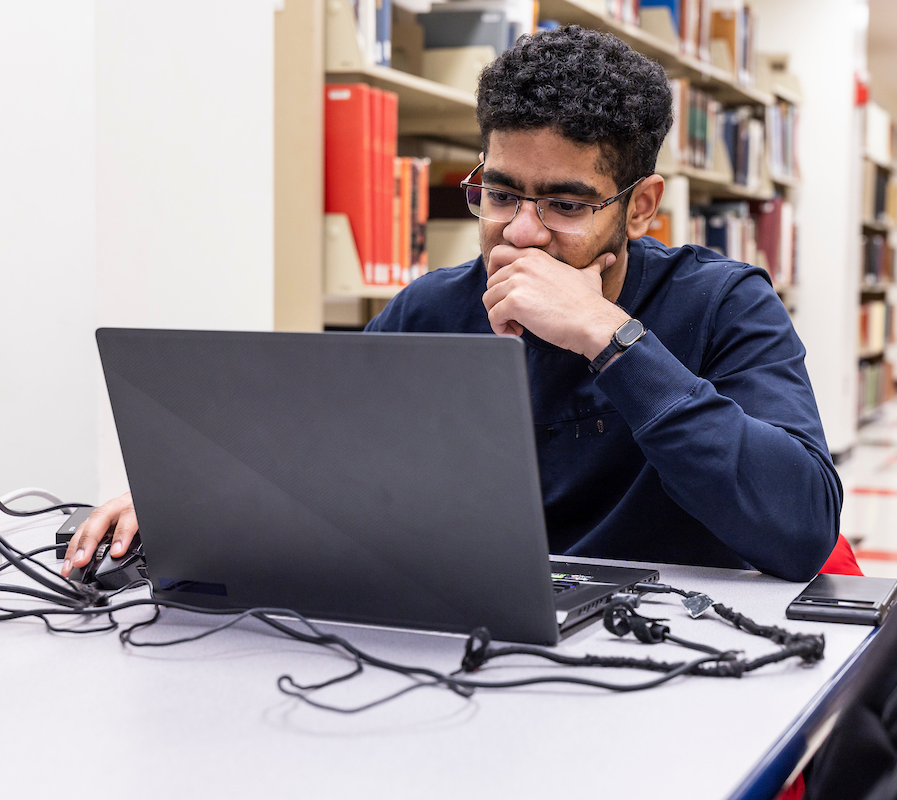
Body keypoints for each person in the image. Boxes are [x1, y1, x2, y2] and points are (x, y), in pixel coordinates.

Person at [64, 25, 846, 583]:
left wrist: (612, 339)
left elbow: (802, 528)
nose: (522, 233)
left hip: (660, 654)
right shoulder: (434, 309)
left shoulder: (724, 304)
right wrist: (194, 494)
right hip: (464, 642)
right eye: (501, 193)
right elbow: (308, 448)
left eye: (566, 204)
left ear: (641, 207)